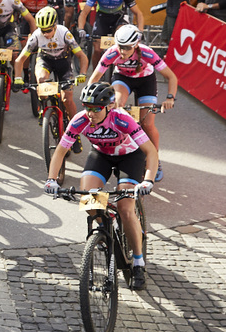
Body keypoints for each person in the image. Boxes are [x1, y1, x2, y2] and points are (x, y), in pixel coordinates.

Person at [44, 82, 157, 289]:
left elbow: (151, 151)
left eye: (96, 108)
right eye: (87, 107)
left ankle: (139, 263)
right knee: (89, 200)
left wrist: (148, 179)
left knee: (125, 208)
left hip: (129, 157)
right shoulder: (80, 120)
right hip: (102, 156)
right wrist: (51, 179)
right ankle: (105, 229)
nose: (91, 113)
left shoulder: (122, 120)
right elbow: (60, 151)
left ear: (109, 107)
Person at [86, 24, 179, 173]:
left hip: (146, 81)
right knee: (116, 104)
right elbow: (94, 78)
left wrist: (170, 98)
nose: (122, 51)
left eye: (127, 47)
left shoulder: (148, 52)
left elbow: (171, 77)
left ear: (135, 45)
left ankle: (155, 158)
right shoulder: (111, 53)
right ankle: (120, 146)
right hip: (123, 79)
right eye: (120, 46)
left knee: (147, 123)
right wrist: (91, 99)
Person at [14, 7, 90, 116]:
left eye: (48, 30)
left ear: (55, 26)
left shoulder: (64, 33)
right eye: (42, 30)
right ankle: (43, 106)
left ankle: (74, 128)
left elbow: (81, 56)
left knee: (66, 99)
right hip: (45, 60)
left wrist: (82, 74)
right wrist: (17, 78)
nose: (45, 34)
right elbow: (20, 60)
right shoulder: (36, 35)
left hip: (63, 61)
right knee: (41, 81)